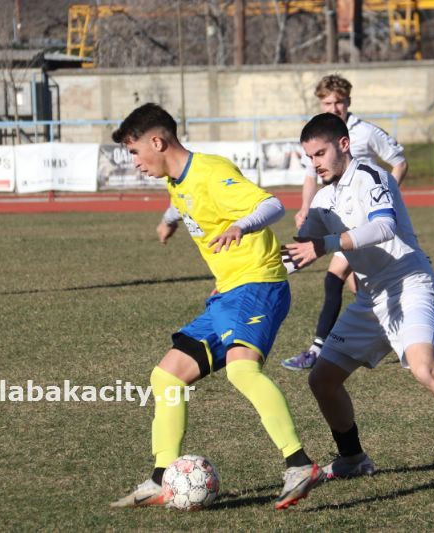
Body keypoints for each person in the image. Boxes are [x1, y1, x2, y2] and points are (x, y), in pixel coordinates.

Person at [283, 112, 434, 495]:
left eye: (320, 153)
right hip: (371, 296)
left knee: (425, 368)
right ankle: (352, 458)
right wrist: (243, 276)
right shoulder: (324, 199)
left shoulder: (371, 176)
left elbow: (384, 226)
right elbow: (297, 252)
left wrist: (326, 244)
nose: (315, 164)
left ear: (344, 144)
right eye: (310, 157)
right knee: (322, 380)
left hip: (409, 281)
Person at [108, 103, 323, 511]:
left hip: (257, 283)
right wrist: (170, 220)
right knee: (166, 377)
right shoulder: (177, 180)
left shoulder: (211, 171)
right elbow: (186, 202)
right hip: (227, 293)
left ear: (158, 142)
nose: (134, 161)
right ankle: (161, 478)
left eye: (135, 151)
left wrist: (241, 225)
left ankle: (299, 464)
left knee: (242, 370)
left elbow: (272, 205)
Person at [280, 74, 409, 371]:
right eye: (327, 103)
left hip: (369, 223)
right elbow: (312, 177)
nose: (334, 107)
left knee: (336, 277)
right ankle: (397, 313)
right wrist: (307, 209)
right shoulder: (317, 137)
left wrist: (386, 197)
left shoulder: (365, 132)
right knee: (360, 286)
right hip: (338, 217)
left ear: (348, 102)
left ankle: (318, 348)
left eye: (338, 102)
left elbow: (399, 162)